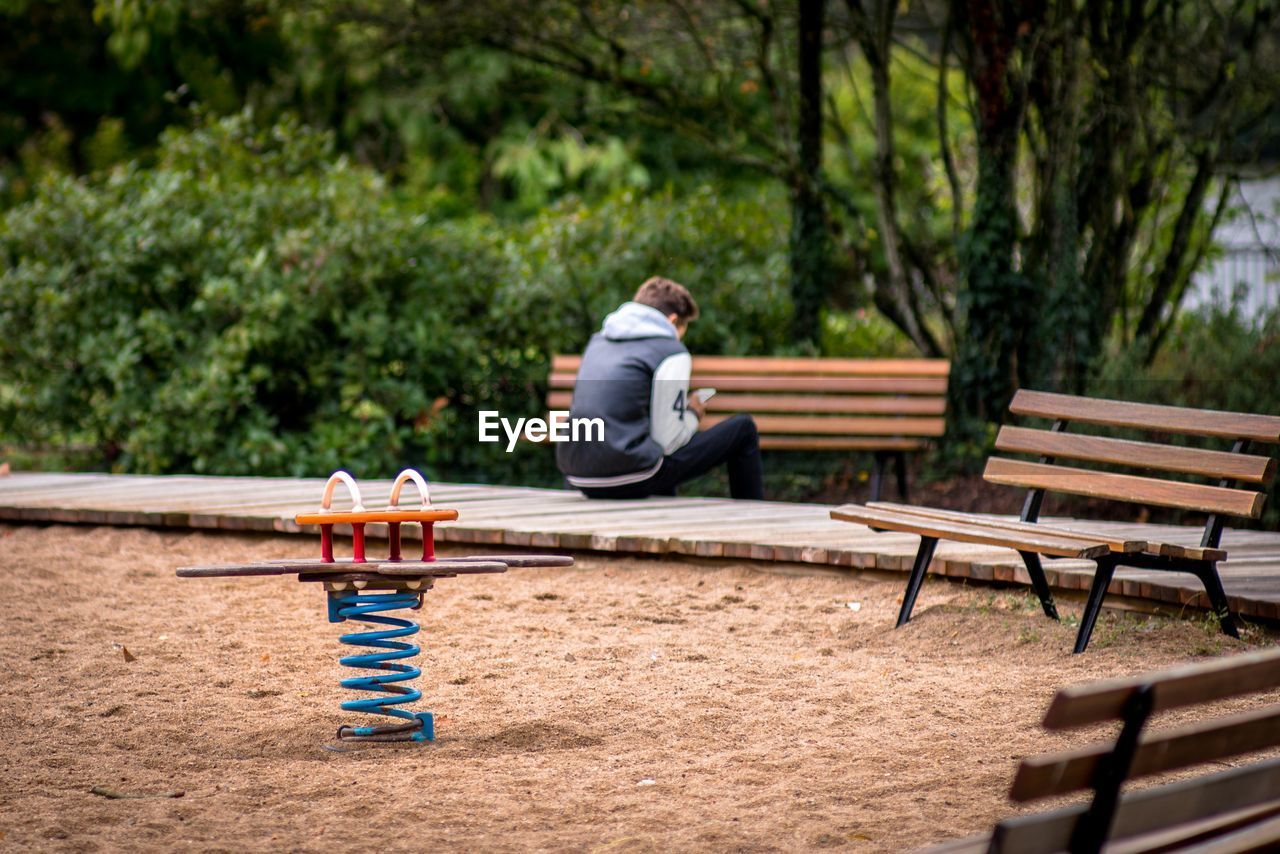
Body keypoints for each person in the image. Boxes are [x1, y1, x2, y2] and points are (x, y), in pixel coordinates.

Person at [555, 277, 764, 500]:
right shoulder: (671, 351)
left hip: (579, 476)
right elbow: (669, 441)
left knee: (654, 452)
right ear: (673, 320)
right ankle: (757, 518)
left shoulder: (598, 342)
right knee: (743, 429)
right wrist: (693, 413)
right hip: (633, 475)